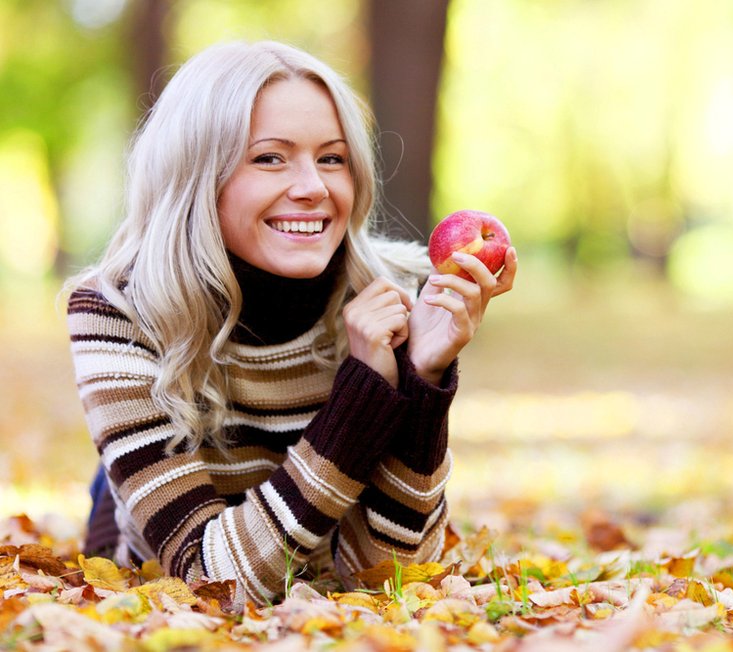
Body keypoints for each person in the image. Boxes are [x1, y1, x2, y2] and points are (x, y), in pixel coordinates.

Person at [64, 40, 517, 605]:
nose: (314, 188)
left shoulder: (399, 295)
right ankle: (112, 486)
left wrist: (421, 377)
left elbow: (385, 574)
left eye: (332, 158)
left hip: (287, 534)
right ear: (198, 172)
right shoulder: (118, 311)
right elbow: (212, 584)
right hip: (165, 538)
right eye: (270, 158)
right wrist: (362, 398)